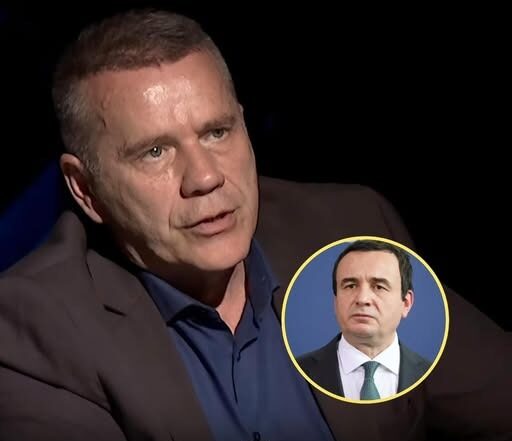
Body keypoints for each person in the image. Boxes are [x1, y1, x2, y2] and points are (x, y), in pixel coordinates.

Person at [0, 8, 510, 441]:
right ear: (85, 189)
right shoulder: (35, 332)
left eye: (217, 132)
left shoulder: (344, 229)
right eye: (155, 152)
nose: (205, 177)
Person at [298, 240, 432, 401]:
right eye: (350, 286)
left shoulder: (434, 375)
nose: (362, 299)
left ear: (406, 303)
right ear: (335, 301)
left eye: (379, 287)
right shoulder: (296, 371)